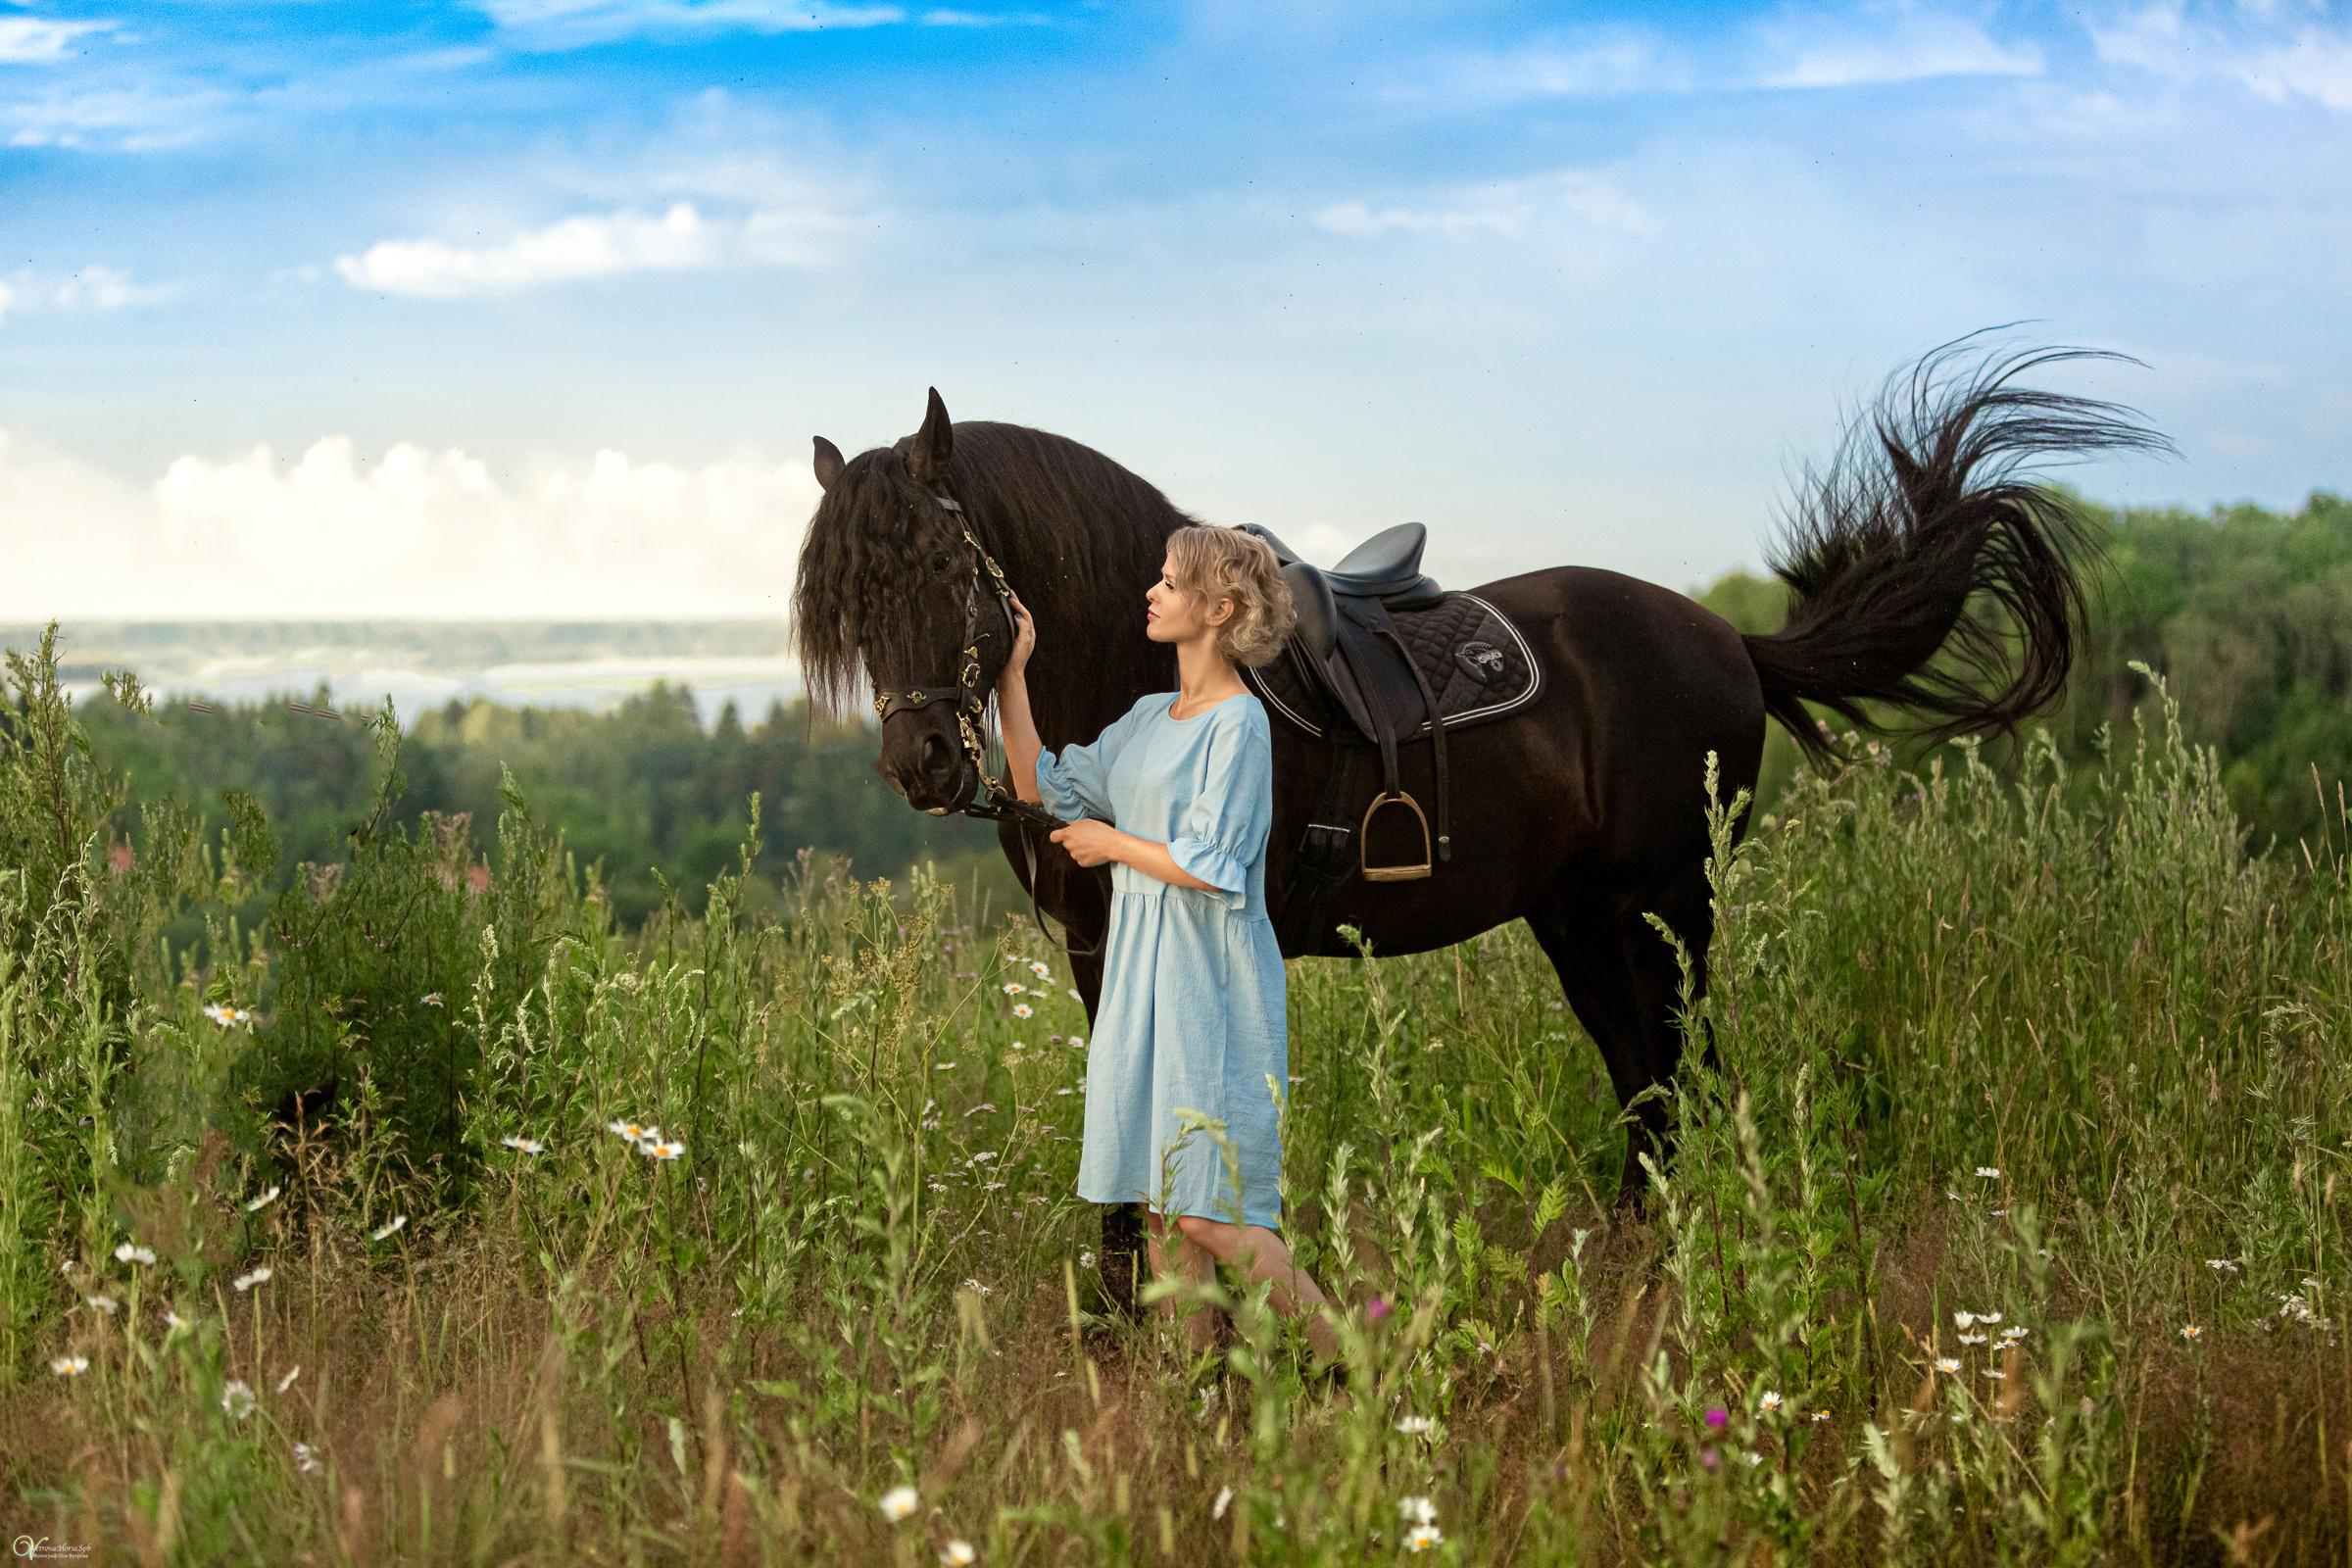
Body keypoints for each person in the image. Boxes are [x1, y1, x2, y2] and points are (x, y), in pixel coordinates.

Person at [997, 524, 1343, 1372]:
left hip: (1208, 976)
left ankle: (1361, 1361)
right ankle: (1198, 1390)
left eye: (1171, 584)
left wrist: (1111, 845)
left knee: (1208, 1214)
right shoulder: (1151, 718)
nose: (1151, 593)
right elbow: (1043, 784)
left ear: (1219, 609)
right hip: (1140, 974)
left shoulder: (1240, 725)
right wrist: (1011, 675)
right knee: (1161, 1204)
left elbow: (1214, 865)